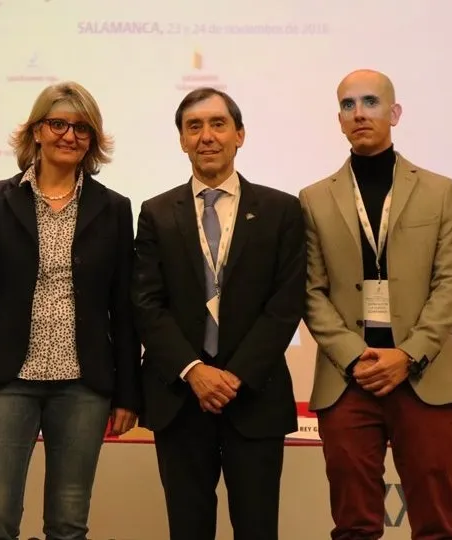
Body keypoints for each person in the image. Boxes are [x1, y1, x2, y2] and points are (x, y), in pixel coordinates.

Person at [0, 81, 141, 540]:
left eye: (81, 128)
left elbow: (125, 308)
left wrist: (129, 395)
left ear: (92, 140)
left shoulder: (113, 208)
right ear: (37, 131)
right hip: (7, 381)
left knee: (69, 524)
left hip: (84, 384)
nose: (69, 135)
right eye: (58, 124)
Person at [299, 69, 452, 540]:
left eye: (371, 102)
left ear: (394, 113)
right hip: (348, 380)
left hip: (423, 377)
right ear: (338, 119)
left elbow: (450, 281)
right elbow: (310, 292)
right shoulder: (312, 199)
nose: (360, 114)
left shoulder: (439, 191)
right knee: (354, 525)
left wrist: (408, 354)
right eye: (348, 105)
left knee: (437, 524)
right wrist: (357, 356)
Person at [132, 87, 306, 540]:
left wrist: (234, 376)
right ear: (182, 141)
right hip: (181, 400)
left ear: (239, 135)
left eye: (217, 124)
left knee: (257, 529)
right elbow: (146, 303)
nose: (206, 136)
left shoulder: (281, 210)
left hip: (255, 397)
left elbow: (286, 304)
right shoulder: (155, 213)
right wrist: (194, 371)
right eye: (194, 127)